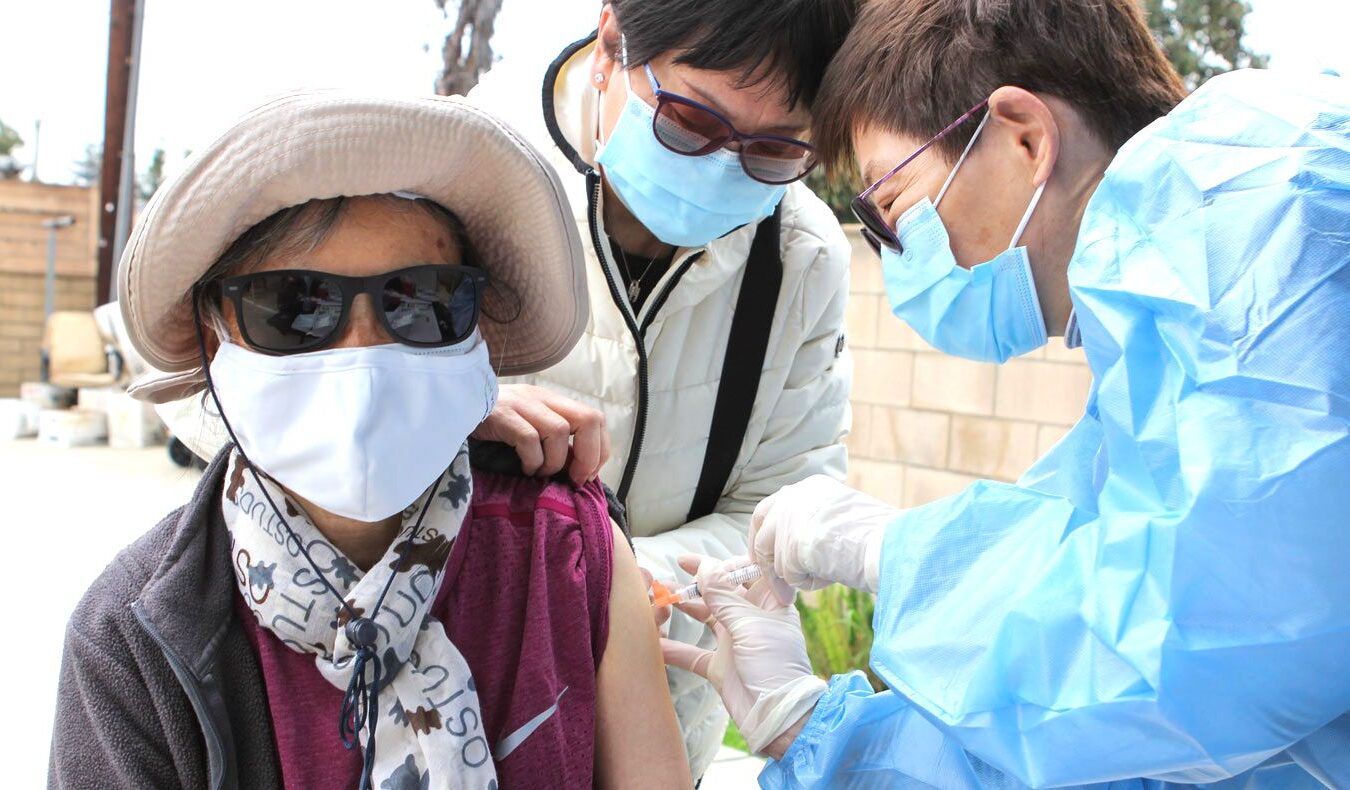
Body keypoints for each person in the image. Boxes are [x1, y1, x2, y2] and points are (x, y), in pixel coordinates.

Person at [662, 0, 1350, 787]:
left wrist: (894, 551)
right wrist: (811, 726)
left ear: (1025, 137)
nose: (896, 256)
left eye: (890, 206)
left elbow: (1196, 649)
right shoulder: (1159, 336)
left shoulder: (1266, 212)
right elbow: (1118, 741)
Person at [49, 92, 690, 790]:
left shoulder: (568, 556)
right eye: (294, 306)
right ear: (215, 335)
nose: (363, 355)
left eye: (422, 302)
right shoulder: (132, 636)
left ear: (475, 336)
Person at [466, 0, 857, 774]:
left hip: (666, 730)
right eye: (689, 123)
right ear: (612, 41)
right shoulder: (466, 175)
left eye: (773, 153)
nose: (721, 167)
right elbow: (211, 392)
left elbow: (780, 509)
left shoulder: (802, 259)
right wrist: (428, 407)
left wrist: (622, 579)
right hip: (445, 716)